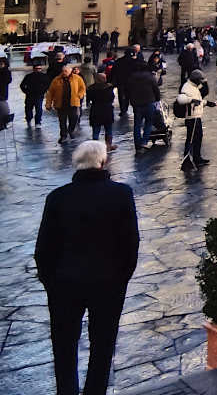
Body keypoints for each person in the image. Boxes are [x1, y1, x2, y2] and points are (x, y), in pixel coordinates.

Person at [35, 140, 139, 395]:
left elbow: (43, 249)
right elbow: (130, 244)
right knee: (102, 346)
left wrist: (52, 283)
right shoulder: (121, 194)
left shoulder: (58, 198)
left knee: (64, 346)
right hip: (108, 283)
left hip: (64, 284)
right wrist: (120, 279)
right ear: (102, 162)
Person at [177, 70, 214, 170]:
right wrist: (191, 100)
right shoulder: (187, 87)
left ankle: (197, 158)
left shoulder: (194, 87)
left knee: (198, 137)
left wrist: (208, 103)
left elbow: (200, 97)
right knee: (191, 139)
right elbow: (181, 99)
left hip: (197, 116)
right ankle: (187, 160)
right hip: (192, 117)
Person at [46, 62, 87, 145]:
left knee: (74, 118)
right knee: (62, 121)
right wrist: (48, 104)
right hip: (61, 104)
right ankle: (63, 135)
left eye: (66, 71)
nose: (64, 73)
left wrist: (80, 95)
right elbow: (50, 92)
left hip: (73, 103)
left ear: (70, 71)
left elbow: (82, 88)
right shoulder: (56, 80)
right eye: (63, 71)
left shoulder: (77, 78)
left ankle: (71, 130)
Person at [127, 63, 161, 152]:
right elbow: (156, 89)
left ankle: (137, 144)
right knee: (148, 123)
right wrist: (157, 99)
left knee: (137, 124)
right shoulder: (150, 77)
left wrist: (130, 99)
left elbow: (127, 90)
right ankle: (144, 142)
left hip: (136, 104)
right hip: (149, 102)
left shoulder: (131, 78)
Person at [85, 67, 116, 150]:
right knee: (108, 129)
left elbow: (89, 99)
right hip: (107, 110)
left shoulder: (91, 88)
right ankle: (108, 145)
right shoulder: (109, 87)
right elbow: (112, 97)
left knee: (96, 129)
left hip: (96, 110)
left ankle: (95, 147)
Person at [21, 57, 51, 127]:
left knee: (39, 109)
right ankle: (29, 119)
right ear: (33, 69)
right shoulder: (28, 76)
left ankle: (38, 122)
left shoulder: (44, 76)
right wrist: (26, 92)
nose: (38, 70)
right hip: (29, 95)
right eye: (37, 69)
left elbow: (48, 85)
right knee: (28, 109)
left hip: (39, 95)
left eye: (39, 69)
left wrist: (44, 92)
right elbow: (22, 85)